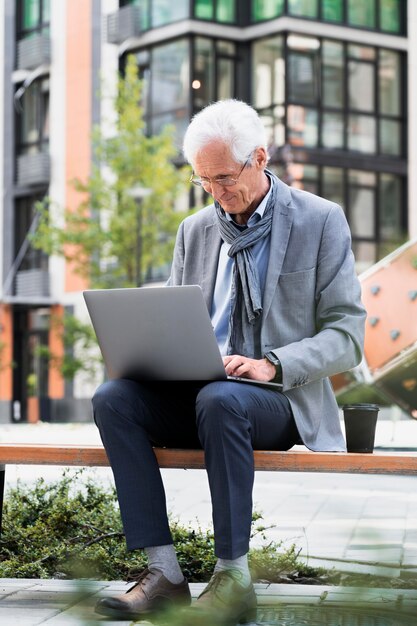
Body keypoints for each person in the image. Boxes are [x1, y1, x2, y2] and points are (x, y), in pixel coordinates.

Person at [93, 99, 366, 623]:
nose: (217, 193)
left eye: (223, 177)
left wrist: (272, 363)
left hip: (276, 399)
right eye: (204, 181)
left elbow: (348, 335)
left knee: (222, 400)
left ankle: (233, 579)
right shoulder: (195, 230)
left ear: (259, 158)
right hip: (201, 391)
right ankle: (163, 576)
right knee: (113, 399)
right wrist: (143, 358)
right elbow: (173, 316)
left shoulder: (320, 220)